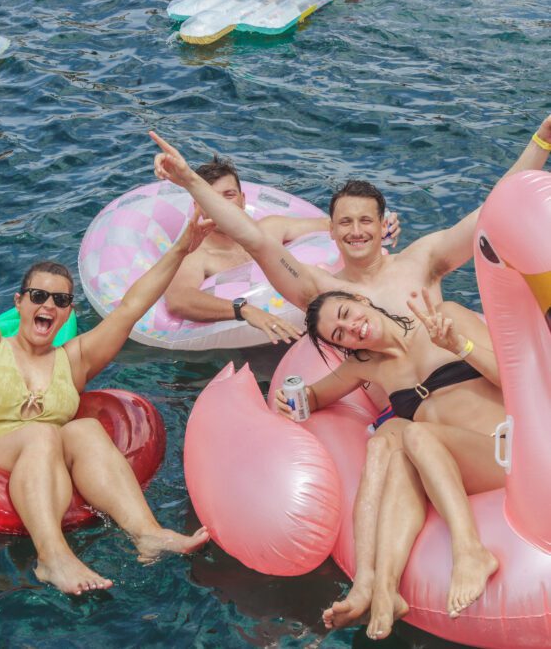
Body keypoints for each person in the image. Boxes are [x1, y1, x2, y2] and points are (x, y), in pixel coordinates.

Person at [149, 117, 551, 630]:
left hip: (490, 435)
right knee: (391, 437)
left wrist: (541, 142)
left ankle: (386, 583)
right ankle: (373, 588)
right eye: (344, 223)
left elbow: (494, 213)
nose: (356, 232)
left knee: (400, 435)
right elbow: (254, 239)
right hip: (439, 438)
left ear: (384, 224)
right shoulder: (327, 300)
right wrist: (189, 180)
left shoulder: (422, 265)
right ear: (331, 229)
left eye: (366, 221)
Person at [0, 133, 210, 596]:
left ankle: (147, 532)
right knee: (43, 433)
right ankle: (53, 557)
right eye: (39, 296)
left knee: (83, 430)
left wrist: (181, 249)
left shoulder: (74, 359)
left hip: (53, 473)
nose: (49, 304)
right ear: (19, 303)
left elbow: (130, 307)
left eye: (61, 299)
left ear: (67, 312)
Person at [274, 287, 505, 638]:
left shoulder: (445, 318)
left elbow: (517, 380)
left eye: (347, 313)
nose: (352, 327)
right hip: (456, 461)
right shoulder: (364, 365)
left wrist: (459, 346)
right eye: (339, 333)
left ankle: (470, 550)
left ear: (362, 301)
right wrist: (288, 399)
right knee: (389, 440)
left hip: (506, 447)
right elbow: (316, 396)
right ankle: (378, 586)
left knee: (414, 434)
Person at [164, 154, 402, 345]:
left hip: (323, 321)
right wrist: (244, 310)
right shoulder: (197, 254)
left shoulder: (271, 228)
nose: (223, 205)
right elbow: (179, 300)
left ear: (243, 199)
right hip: (252, 343)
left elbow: (336, 225)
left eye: (230, 195)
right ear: (198, 204)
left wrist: (385, 223)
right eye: (213, 198)